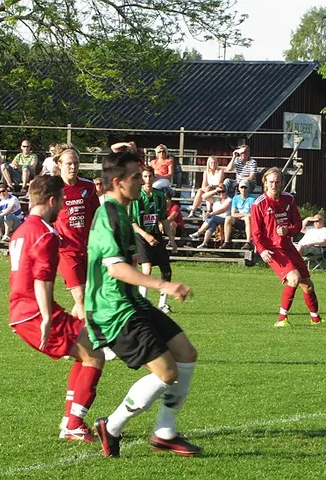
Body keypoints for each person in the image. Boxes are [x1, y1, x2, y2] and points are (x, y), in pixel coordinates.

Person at [87, 151, 200, 458]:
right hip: (112, 310)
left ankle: (165, 431)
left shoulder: (124, 212)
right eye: (136, 176)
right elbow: (115, 268)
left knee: (187, 354)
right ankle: (111, 426)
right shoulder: (109, 214)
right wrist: (164, 285)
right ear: (118, 182)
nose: (142, 180)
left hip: (131, 302)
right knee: (166, 373)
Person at [8, 175, 104, 442]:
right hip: (35, 312)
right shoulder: (46, 234)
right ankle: (74, 424)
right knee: (95, 356)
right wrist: (48, 317)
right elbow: (41, 278)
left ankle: (70, 421)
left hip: (21, 311)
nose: (63, 207)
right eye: (61, 201)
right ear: (52, 200)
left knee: (86, 352)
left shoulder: (21, 230)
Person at [250, 167, 323, 327]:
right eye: (271, 182)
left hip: (288, 247)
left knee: (308, 285)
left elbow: (297, 224)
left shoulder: (288, 199)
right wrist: (261, 250)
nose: (274, 185)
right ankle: (282, 319)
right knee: (294, 278)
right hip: (273, 250)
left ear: (282, 183)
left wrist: (287, 230)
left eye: (277, 182)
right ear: (265, 183)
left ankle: (316, 319)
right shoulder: (259, 204)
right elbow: (255, 232)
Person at [52, 146, 100, 320]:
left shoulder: (88, 186)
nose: (73, 167)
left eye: (76, 163)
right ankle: (91, 339)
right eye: (69, 164)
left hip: (89, 248)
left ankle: (69, 331)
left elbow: (97, 215)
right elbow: (42, 217)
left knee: (90, 296)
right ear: (59, 164)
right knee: (80, 296)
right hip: (66, 250)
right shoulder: (53, 188)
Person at [129, 166, 178, 313]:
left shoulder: (159, 196)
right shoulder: (136, 197)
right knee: (147, 268)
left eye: (150, 176)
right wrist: (145, 235)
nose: (148, 179)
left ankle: (162, 304)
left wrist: (171, 239)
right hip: (141, 234)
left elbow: (163, 219)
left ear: (154, 178)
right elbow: (132, 222)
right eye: (145, 176)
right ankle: (142, 303)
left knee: (167, 270)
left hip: (155, 234)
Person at [221, 178, 254, 250]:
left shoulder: (252, 199)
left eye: (245, 187)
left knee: (248, 218)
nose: (243, 189)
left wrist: (242, 215)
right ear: (239, 188)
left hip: (247, 220)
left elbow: (251, 214)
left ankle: (248, 242)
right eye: (242, 187)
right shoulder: (236, 198)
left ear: (248, 188)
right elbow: (233, 213)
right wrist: (244, 215)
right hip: (239, 219)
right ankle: (226, 241)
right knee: (228, 218)